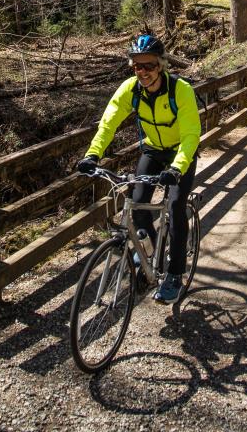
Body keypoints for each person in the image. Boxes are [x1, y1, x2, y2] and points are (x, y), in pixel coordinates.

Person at [76, 34, 201, 304]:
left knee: (176, 206)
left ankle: (174, 275)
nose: (143, 72)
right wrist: (93, 154)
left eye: (149, 65)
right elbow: (108, 123)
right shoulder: (130, 90)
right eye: (137, 66)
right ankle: (152, 247)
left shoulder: (181, 90)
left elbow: (191, 134)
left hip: (181, 152)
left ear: (161, 65)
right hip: (154, 149)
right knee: (137, 202)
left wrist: (178, 167)